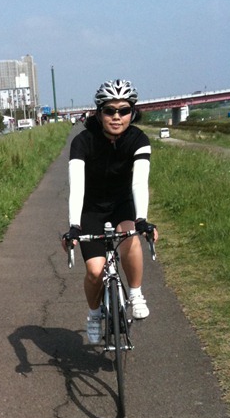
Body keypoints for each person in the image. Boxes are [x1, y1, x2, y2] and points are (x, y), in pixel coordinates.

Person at [62, 79, 158, 344]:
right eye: (110, 110)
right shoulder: (83, 142)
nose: (117, 116)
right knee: (95, 271)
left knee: (130, 237)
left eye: (124, 110)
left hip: (121, 204)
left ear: (132, 113)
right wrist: (74, 226)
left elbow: (139, 182)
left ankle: (136, 294)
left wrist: (142, 220)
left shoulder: (139, 139)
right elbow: (76, 187)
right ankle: (94, 314)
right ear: (99, 112)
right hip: (91, 209)